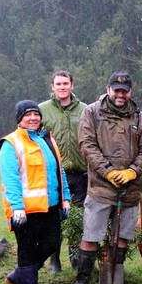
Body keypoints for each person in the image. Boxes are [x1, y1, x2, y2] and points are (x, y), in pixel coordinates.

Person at [67, 72, 142, 284]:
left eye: (124, 90)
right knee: (91, 235)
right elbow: (86, 144)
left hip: (130, 188)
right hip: (100, 188)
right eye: (116, 89)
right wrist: (108, 171)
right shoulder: (92, 113)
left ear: (130, 92)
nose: (120, 94)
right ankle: (82, 283)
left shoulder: (140, 118)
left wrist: (132, 171)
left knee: (122, 236)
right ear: (108, 89)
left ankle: (112, 282)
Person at [0, 101, 71, 284]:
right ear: (19, 119)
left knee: (52, 242)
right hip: (26, 209)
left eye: (36, 114)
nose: (33, 118)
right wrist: (17, 207)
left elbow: (59, 170)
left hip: (51, 205)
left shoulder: (47, 139)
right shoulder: (11, 143)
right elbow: (10, 178)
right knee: (27, 248)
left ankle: (20, 275)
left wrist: (66, 198)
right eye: (27, 115)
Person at [39, 70, 88, 273]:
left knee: (77, 217)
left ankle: (75, 258)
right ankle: (54, 260)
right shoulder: (41, 110)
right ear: (52, 86)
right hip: (54, 174)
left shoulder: (86, 110)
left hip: (80, 172)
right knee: (55, 217)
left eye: (65, 83)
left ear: (72, 86)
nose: (62, 87)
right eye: (58, 84)